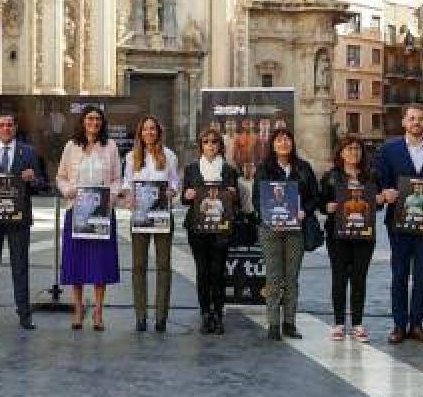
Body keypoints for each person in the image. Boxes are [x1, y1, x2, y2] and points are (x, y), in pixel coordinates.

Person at [374, 103, 423, 344]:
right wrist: (385, 191)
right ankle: (399, 325)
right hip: (398, 223)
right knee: (399, 274)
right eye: (411, 118)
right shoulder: (389, 150)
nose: (416, 122)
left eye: (420, 118)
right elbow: (381, 181)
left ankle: (417, 324)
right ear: (404, 122)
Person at [0, 112, 45, 330]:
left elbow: (41, 183)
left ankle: (24, 314)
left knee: (20, 267)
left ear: (15, 129)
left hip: (19, 218)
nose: (5, 128)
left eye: (9, 125)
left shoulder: (29, 152)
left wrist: (33, 179)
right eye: (1, 125)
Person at [56, 106, 123, 332]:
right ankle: (77, 309)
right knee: (76, 262)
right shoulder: (71, 146)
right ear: (83, 122)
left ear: (102, 122)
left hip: (101, 214)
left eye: (97, 119)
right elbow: (61, 176)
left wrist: (110, 198)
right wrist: (68, 190)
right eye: (89, 118)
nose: (93, 122)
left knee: (100, 264)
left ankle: (98, 312)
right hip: (77, 211)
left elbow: (116, 179)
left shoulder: (110, 146)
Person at [252, 128, 318, 341]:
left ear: (292, 143)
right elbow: (257, 199)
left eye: (287, 139)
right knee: (273, 276)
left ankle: (289, 322)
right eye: (279, 140)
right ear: (272, 144)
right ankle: (273, 323)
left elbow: (314, 197)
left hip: (295, 230)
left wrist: (304, 211)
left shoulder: (303, 168)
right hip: (271, 229)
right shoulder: (264, 168)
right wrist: (270, 217)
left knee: (292, 277)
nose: (284, 143)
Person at [319, 135, 381, 341]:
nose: (353, 152)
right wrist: (327, 207)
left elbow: (377, 204)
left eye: (357, 149)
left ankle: (357, 324)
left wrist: (380, 200)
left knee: (359, 279)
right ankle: (338, 324)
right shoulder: (331, 176)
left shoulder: (370, 176)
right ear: (341, 152)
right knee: (338, 278)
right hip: (338, 236)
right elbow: (321, 202)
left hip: (364, 235)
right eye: (349, 148)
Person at [122, 115, 180, 332]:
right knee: (138, 266)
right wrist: (127, 195)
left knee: (164, 265)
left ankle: (161, 317)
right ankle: (141, 316)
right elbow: (127, 183)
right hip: (140, 216)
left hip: (163, 215)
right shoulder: (130, 157)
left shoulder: (170, 156)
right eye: (145, 129)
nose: (149, 132)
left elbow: (174, 181)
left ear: (158, 132)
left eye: (153, 129)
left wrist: (173, 190)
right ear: (140, 133)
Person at [182, 127, 239, 335]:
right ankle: (205, 313)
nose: (210, 145)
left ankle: (218, 313)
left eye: (214, 141)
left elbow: (236, 203)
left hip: (221, 227)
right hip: (197, 227)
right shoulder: (191, 169)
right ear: (201, 146)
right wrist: (187, 194)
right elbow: (183, 198)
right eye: (206, 141)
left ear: (220, 146)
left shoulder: (229, 170)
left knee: (218, 271)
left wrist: (233, 195)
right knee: (202, 271)